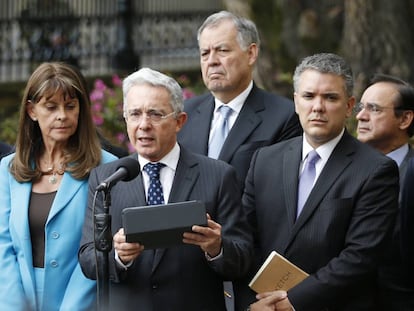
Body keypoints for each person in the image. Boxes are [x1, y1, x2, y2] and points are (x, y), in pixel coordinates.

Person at [78, 67, 253, 311]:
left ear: (179, 121)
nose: (144, 125)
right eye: (135, 114)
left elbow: (243, 258)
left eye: (155, 114)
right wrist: (119, 257)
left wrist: (217, 247)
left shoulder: (218, 175)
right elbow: (88, 259)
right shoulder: (107, 179)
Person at [236, 53, 400, 311]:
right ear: (296, 102)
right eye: (309, 96)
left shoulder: (376, 170)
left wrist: (293, 302)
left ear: (349, 106)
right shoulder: (264, 160)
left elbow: (360, 256)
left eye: (330, 97)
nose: (318, 107)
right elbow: (245, 238)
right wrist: (254, 301)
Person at [0, 62, 117, 311]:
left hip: (81, 301)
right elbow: (3, 245)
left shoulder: (107, 168)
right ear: (32, 111)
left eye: (70, 106)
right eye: (51, 107)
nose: (62, 115)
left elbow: (100, 250)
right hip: (19, 300)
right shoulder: (8, 168)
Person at [177, 10, 302, 186]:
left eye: (222, 50)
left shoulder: (284, 116)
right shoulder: (185, 114)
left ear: (251, 54)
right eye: (205, 53)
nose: (211, 61)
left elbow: (278, 192)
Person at [356, 74, 414, 310]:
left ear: (405, 119)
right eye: (360, 107)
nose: (360, 116)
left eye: (374, 109)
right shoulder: (340, 169)